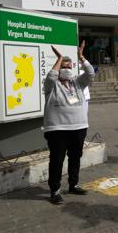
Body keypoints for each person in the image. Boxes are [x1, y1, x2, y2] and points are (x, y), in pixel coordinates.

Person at [43, 41, 94, 205]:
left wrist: (81, 57)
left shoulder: (77, 82)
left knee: (75, 157)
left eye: (68, 67)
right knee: (57, 159)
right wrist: (59, 58)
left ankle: (74, 184)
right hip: (57, 129)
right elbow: (52, 75)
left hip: (79, 127)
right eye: (62, 67)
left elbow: (90, 73)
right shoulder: (51, 85)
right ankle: (54, 190)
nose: (65, 70)